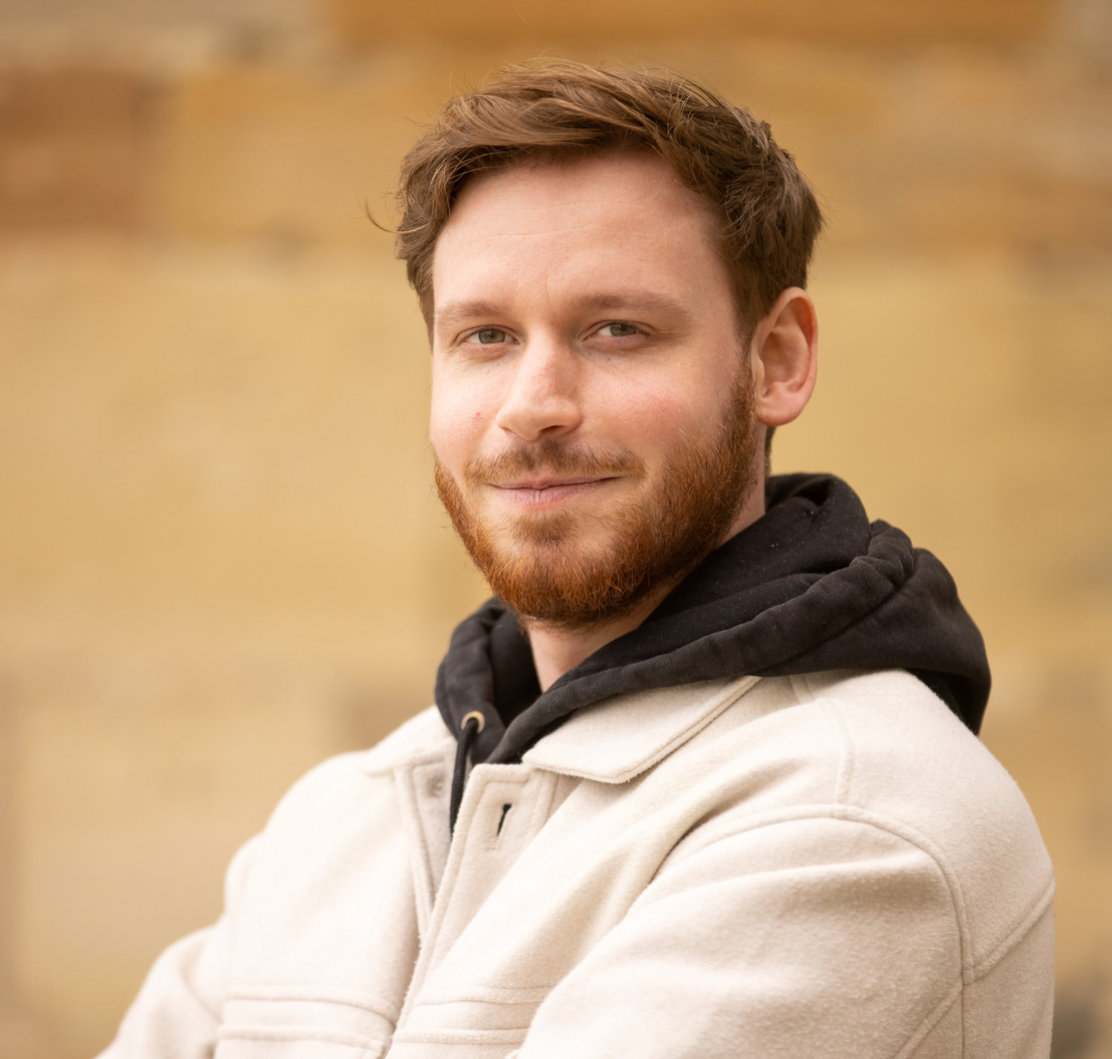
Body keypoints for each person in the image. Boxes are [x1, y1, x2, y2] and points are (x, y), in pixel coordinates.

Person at [100, 60, 1055, 1058]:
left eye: (616, 330)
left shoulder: (861, 820)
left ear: (776, 359)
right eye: (485, 336)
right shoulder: (341, 819)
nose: (532, 405)